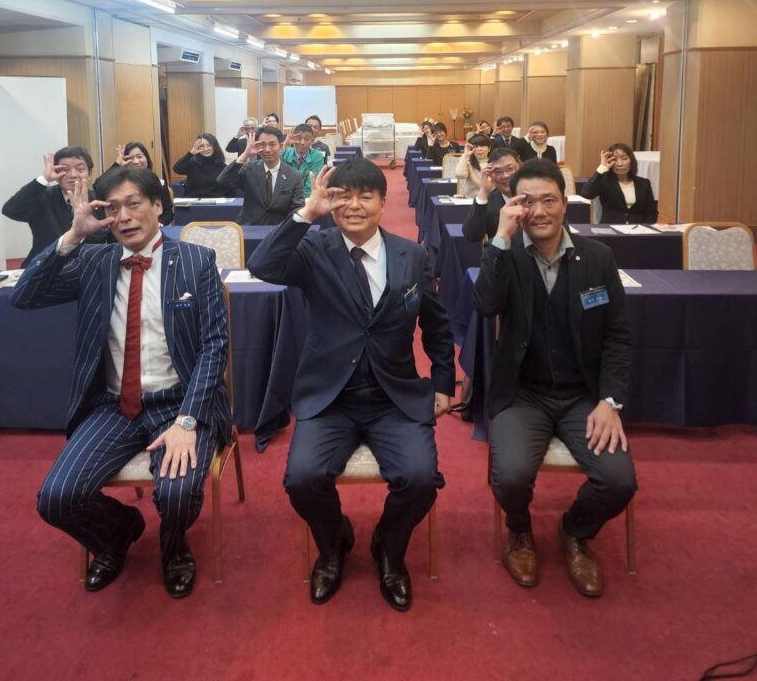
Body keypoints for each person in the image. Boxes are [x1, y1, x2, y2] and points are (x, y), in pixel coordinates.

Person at [10, 168, 232, 599]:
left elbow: (214, 347)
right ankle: (117, 532)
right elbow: (24, 296)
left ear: (158, 206)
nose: (124, 217)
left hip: (178, 403)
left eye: (133, 204)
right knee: (56, 499)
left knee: (178, 492)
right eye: (112, 209)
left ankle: (174, 546)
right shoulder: (95, 262)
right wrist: (73, 236)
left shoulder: (195, 261)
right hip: (114, 406)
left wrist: (187, 421)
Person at [248, 158, 455, 612]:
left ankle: (389, 548)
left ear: (383, 202)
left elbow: (438, 326)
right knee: (302, 479)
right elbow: (261, 265)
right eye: (344, 196)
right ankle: (333, 542)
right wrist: (307, 213)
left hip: (393, 397)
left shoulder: (413, 256)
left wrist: (443, 382)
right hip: (330, 398)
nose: (355, 205)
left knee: (421, 479)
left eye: (366, 196)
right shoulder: (313, 250)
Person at [473, 159, 637, 598]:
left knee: (619, 481)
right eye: (528, 202)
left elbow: (618, 337)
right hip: (523, 394)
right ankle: (520, 530)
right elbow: (485, 306)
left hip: (584, 395)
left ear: (566, 203)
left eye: (549, 201)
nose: (540, 212)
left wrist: (610, 401)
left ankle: (575, 531)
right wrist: (501, 237)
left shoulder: (597, 258)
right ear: (515, 206)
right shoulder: (506, 253)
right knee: (510, 476)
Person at [2, 146, 107, 266]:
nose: (73, 175)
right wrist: (44, 179)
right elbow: (10, 210)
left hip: (88, 267)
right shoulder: (41, 197)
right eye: (65, 169)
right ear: (56, 173)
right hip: (43, 266)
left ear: (89, 173)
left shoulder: (100, 201)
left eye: (80, 169)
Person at [216, 125, 304, 225]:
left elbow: (297, 207)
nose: (267, 149)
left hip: (278, 228)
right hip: (249, 226)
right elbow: (223, 180)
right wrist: (245, 154)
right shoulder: (248, 169)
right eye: (262, 145)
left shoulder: (294, 176)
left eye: (272, 144)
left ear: (280, 146)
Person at [94, 142, 174, 225]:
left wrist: (159, 223)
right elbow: (97, 186)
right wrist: (117, 164)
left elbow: (168, 213)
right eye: (131, 158)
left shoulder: (159, 183)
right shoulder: (118, 185)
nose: (136, 161)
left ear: (147, 158)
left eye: (139, 157)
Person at [581, 144, 658, 225]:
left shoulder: (644, 183)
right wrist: (602, 168)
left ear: (631, 160)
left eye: (624, 158)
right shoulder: (604, 182)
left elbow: (652, 212)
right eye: (614, 159)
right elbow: (586, 194)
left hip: (638, 229)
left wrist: (643, 228)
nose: (620, 164)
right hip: (610, 229)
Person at [462, 147, 521, 242]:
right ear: (491, 175)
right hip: (501, 250)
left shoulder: (536, 195)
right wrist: (483, 191)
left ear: (520, 168)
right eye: (498, 171)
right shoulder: (488, 201)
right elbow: (472, 236)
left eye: (510, 169)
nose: (505, 175)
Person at [281, 123, 326, 197]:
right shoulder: (285, 153)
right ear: (294, 139)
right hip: (284, 198)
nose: (302, 142)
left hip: (306, 199)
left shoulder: (317, 156)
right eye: (299, 138)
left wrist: (298, 201)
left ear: (312, 141)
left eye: (307, 139)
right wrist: (285, 144)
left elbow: (310, 187)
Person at [454, 133, 492, 197]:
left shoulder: (496, 163)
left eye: (482, 146)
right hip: (472, 199)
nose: (479, 149)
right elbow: (459, 175)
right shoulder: (468, 163)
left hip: (491, 199)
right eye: (476, 146)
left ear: (489, 148)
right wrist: (466, 155)